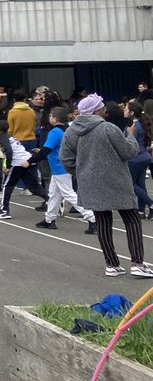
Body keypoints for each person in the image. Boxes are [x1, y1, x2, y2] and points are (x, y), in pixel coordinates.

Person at [61, 94, 153, 278]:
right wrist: (131, 136)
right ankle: (137, 263)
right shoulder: (108, 128)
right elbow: (129, 151)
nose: (105, 111)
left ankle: (112, 264)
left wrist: (82, 171)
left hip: (89, 182)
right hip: (116, 179)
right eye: (102, 108)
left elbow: (66, 159)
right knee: (132, 218)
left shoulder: (71, 131)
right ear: (96, 111)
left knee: (103, 221)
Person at [36, 107, 96, 234]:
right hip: (64, 165)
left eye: (51, 116)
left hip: (59, 167)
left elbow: (47, 149)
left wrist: (31, 160)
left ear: (55, 119)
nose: (50, 117)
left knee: (69, 194)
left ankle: (92, 218)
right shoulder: (68, 131)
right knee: (54, 194)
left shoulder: (54, 133)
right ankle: (49, 219)